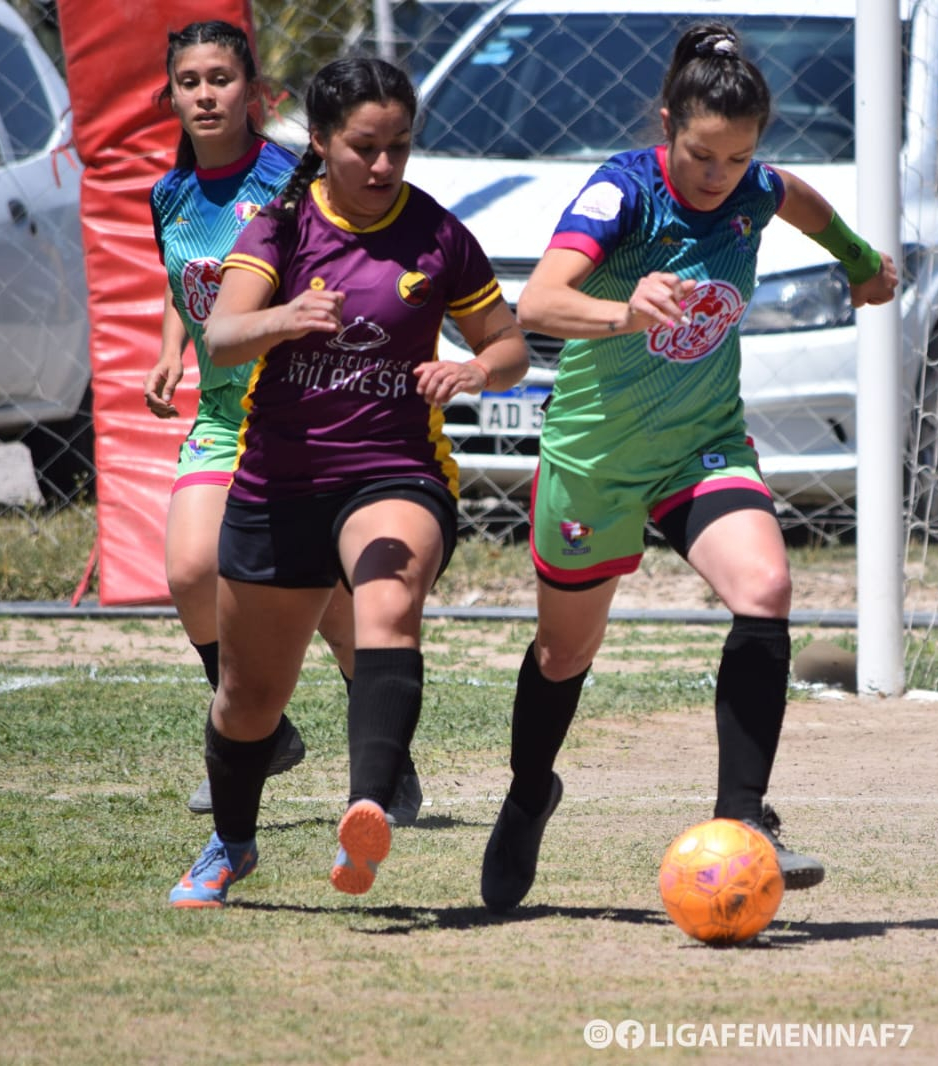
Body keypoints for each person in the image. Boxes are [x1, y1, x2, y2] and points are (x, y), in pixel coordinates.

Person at [478, 23, 897, 913]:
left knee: (766, 588)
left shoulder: (755, 186)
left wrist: (860, 262)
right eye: (704, 154)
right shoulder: (620, 193)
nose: (720, 175)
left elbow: (802, 201)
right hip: (596, 455)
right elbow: (539, 302)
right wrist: (625, 309)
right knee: (563, 654)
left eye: (739, 157)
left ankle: (743, 821)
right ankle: (527, 795)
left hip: (700, 444)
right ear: (667, 122)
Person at [168, 55, 530, 907]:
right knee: (249, 700)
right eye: (364, 147)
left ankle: (366, 807)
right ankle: (232, 842)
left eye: (399, 147)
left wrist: (477, 370)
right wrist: (284, 318)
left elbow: (509, 346)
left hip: (396, 467)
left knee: (390, 594)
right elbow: (220, 339)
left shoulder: (438, 233)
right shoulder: (281, 229)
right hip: (281, 478)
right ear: (323, 141)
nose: (383, 166)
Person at [145, 21, 420, 827]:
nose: (205, 94)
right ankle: (259, 737)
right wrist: (173, 351)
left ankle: (384, 761)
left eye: (221, 78)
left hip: (305, 411)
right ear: (171, 95)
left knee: (334, 609)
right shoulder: (169, 192)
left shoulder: (291, 180)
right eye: (189, 80)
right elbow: (186, 279)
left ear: (255, 92)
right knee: (192, 570)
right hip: (226, 415)